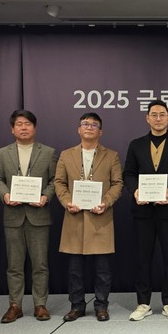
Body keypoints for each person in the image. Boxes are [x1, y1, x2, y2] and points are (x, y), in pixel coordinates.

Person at [124, 100, 168, 321]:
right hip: (142, 211)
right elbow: (128, 173)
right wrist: (135, 191)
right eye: (154, 114)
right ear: (147, 118)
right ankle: (143, 303)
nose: (158, 118)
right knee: (142, 258)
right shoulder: (136, 145)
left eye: (162, 114)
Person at [54, 112, 123, 322]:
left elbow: (117, 184)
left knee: (103, 270)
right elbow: (59, 182)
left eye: (94, 125)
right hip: (74, 218)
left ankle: (101, 306)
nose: (89, 127)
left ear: (101, 131)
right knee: (75, 270)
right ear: (79, 129)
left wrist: (106, 202)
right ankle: (77, 306)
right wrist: (67, 201)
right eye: (85, 124)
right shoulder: (66, 155)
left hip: (100, 217)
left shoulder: (111, 155)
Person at [0, 109, 57, 323]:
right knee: (14, 265)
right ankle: (15, 305)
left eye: (28, 124)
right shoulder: (3, 153)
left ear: (34, 128)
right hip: (13, 215)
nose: (24, 127)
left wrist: (46, 197)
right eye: (19, 124)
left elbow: (55, 181)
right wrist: (5, 195)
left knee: (40, 264)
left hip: (39, 215)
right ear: (12, 129)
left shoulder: (48, 152)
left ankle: (40, 304)